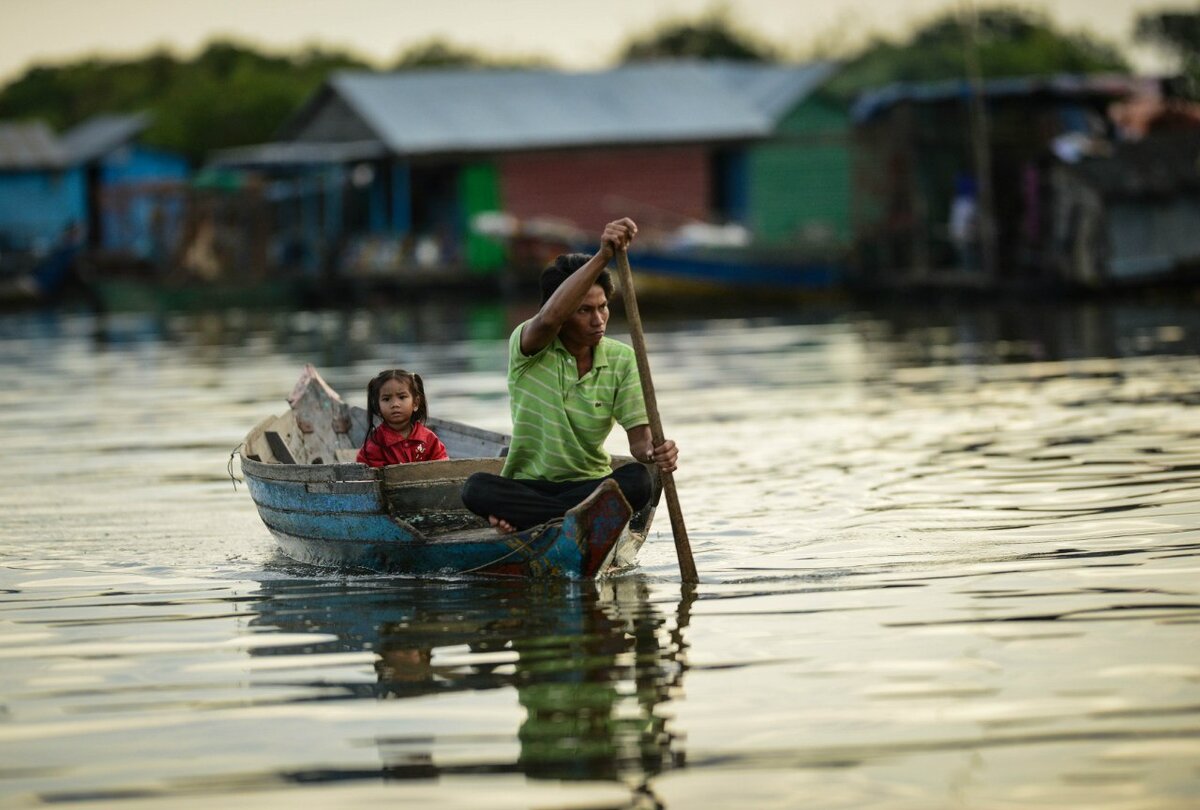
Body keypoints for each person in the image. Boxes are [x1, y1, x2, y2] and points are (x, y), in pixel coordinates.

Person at [461, 217, 678, 532]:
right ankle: (576, 517)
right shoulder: (528, 346)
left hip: (591, 486)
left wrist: (657, 451)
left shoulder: (622, 359)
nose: (598, 319)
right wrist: (603, 255)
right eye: (584, 311)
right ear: (563, 313)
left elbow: (640, 445)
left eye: (603, 307)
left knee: (637, 480)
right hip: (529, 486)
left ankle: (548, 518)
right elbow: (549, 319)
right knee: (476, 488)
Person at [357, 369, 449, 467]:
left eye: (402, 397)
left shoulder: (429, 439)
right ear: (378, 406)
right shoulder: (375, 444)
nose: (395, 404)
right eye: (386, 399)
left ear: (415, 403)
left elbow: (443, 468)